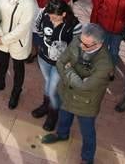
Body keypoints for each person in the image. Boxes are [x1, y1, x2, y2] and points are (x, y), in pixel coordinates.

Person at [39, 23, 113, 164]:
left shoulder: (105, 65)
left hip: (85, 102)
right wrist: (74, 75)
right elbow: (61, 62)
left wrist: (69, 70)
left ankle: (87, 158)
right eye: (81, 41)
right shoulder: (79, 40)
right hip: (67, 92)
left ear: (99, 44)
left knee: (88, 132)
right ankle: (62, 134)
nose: (81, 45)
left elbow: (83, 86)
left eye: (86, 45)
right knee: (64, 116)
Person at [32, 0, 81, 131]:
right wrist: (43, 45)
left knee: (53, 89)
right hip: (43, 58)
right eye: (50, 16)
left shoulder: (75, 25)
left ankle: (53, 114)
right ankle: (46, 106)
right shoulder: (43, 13)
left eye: (55, 17)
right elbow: (37, 28)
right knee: (48, 83)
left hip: (60, 64)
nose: (52, 20)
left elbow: (77, 46)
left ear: (64, 14)